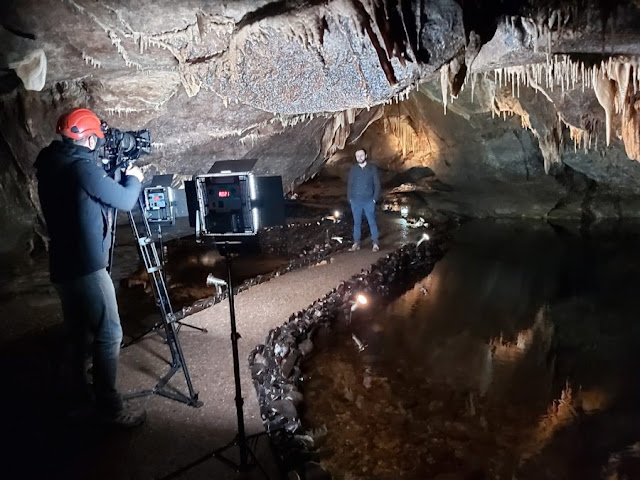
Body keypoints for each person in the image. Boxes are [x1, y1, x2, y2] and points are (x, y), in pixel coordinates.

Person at [34, 108, 146, 428]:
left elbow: (89, 198)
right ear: (90, 138)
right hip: (86, 266)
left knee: (78, 334)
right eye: (96, 137)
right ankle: (109, 408)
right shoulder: (82, 169)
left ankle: (79, 401)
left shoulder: (50, 163)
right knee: (110, 333)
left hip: (62, 266)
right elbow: (124, 200)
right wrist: (133, 179)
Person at [347, 148, 381, 252]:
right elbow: (350, 184)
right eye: (357, 156)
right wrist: (350, 198)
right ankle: (356, 243)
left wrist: (374, 199)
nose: (359, 157)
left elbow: (377, 184)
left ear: (366, 156)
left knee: (372, 222)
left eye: (361, 155)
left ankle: (375, 243)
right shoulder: (354, 169)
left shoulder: (372, 168)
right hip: (356, 201)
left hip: (368, 201)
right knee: (356, 222)